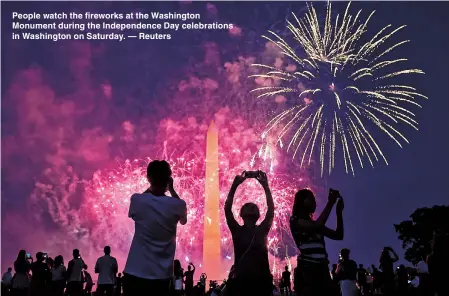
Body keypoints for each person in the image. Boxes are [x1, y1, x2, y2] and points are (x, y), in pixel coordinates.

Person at [123, 160, 187, 296]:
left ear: (148, 178)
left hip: (134, 272)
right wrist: (171, 188)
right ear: (169, 179)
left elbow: (143, 198)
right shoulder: (178, 205)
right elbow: (183, 220)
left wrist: (153, 184)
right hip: (161, 276)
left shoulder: (137, 200)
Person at [224, 170, 274, 296]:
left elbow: (271, 210)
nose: (251, 206)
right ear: (241, 214)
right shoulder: (237, 230)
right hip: (245, 281)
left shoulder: (262, 230)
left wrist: (265, 186)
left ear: (258, 215)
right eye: (247, 206)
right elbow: (227, 209)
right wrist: (235, 185)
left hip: (259, 281)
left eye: (254, 206)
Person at [289, 188, 344, 296]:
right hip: (308, 270)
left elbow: (338, 235)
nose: (315, 203)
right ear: (303, 201)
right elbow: (316, 226)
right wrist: (331, 203)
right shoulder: (294, 220)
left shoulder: (314, 224)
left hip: (322, 268)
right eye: (311, 199)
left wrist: (339, 213)